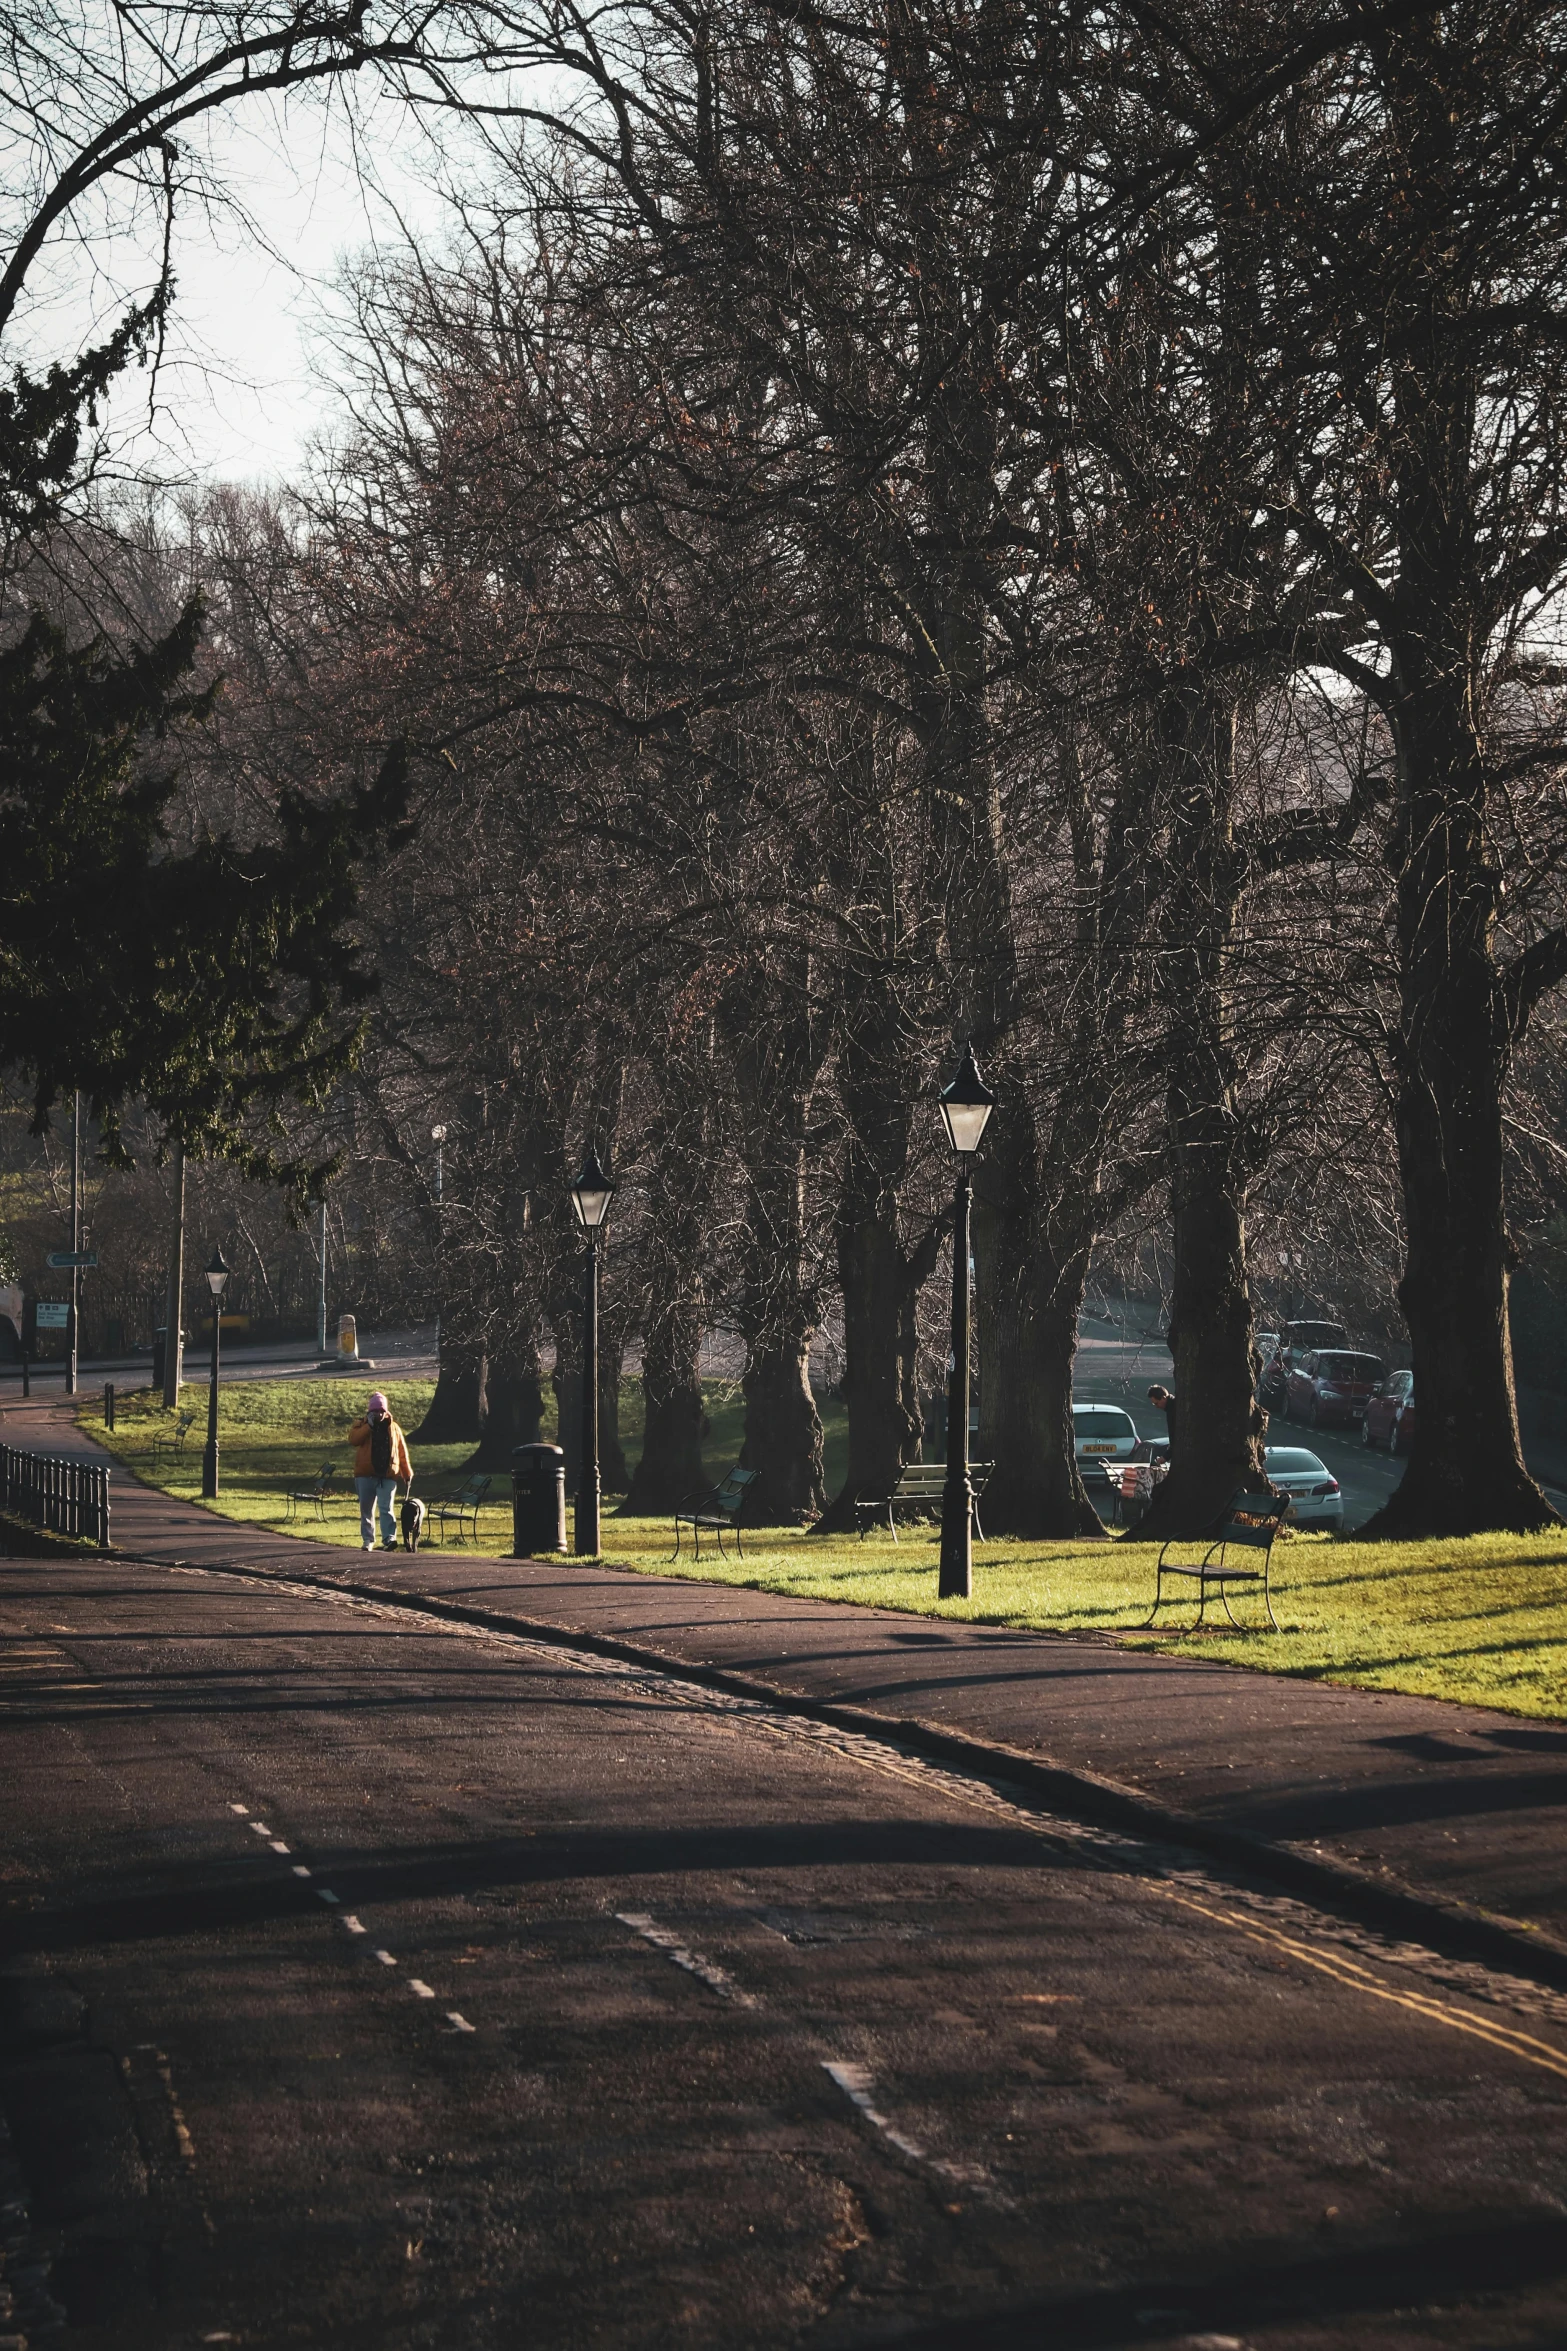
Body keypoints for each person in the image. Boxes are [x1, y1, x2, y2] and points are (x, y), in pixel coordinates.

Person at [348, 1390, 413, 1553]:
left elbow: (402, 1451)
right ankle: (368, 1540)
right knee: (366, 1509)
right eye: (376, 1411)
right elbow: (353, 1440)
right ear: (370, 1411)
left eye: (382, 1410)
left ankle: (389, 1538)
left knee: (386, 1508)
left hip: (388, 1474)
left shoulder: (394, 1427)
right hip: (365, 1474)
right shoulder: (361, 1425)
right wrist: (368, 1427)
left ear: (387, 1411)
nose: (379, 1414)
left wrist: (407, 1472)